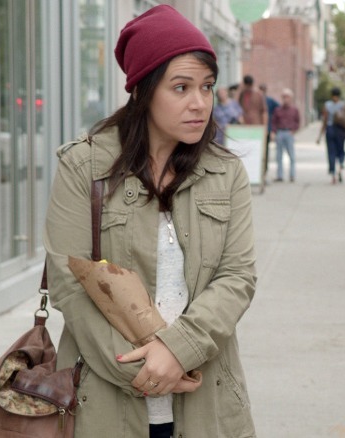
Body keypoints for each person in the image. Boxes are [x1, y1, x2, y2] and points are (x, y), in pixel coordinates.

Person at [43, 5, 257, 438]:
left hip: (205, 400)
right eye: (181, 87)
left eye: (207, 86)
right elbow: (68, 282)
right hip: (103, 402)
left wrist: (179, 351)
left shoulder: (225, 172)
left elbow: (238, 277)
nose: (200, 103)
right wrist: (140, 371)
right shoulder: (84, 166)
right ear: (141, 90)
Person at [316, 87, 345, 184]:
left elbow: (325, 121)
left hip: (330, 129)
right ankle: (341, 164)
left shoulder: (327, 105)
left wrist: (320, 136)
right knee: (341, 151)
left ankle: (333, 174)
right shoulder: (343, 105)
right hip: (341, 131)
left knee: (331, 152)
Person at [271, 88, 301, 182]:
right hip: (280, 133)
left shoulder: (294, 110)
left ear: (291, 98)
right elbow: (274, 122)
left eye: (287, 97)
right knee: (279, 156)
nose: (285, 99)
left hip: (289, 133)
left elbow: (297, 121)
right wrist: (274, 132)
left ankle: (292, 175)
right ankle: (280, 176)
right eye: (284, 97)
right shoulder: (278, 110)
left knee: (291, 155)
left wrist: (294, 131)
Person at [260, 84, 280, 176]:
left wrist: (273, 127)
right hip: (257, 130)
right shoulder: (256, 100)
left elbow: (279, 109)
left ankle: (265, 170)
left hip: (266, 129)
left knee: (265, 151)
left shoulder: (269, 101)